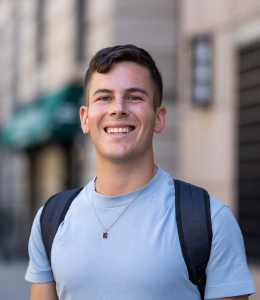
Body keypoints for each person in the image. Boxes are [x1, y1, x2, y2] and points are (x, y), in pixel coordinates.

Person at [25, 44, 256, 300]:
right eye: (104, 97)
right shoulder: (50, 220)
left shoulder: (211, 221)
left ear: (159, 117)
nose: (118, 108)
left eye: (134, 97)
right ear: (84, 118)